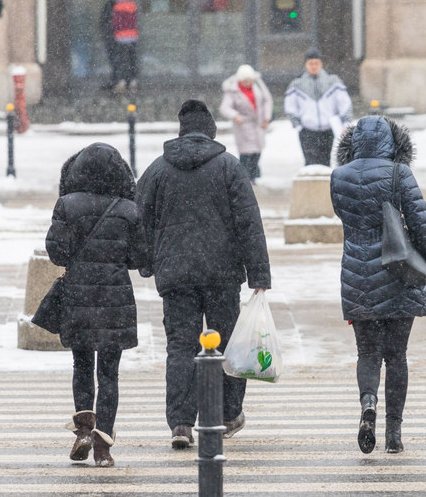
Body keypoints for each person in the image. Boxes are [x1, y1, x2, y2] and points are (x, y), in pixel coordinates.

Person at [137, 100, 271, 449]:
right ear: (211, 130)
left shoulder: (158, 170)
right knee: (229, 343)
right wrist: (258, 273)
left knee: (180, 347)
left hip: (176, 274)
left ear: (180, 131)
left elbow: (141, 221)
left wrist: (147, 262)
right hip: (222, 273)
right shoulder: (229, 167)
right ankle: (228, 414)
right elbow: (249, 223)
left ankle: (181, 423)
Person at [332, 116, 426, 455]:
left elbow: (344, 215)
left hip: (356, 274)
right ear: (393, 142)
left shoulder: (339, 175)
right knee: (397, 355)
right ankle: (394, 433)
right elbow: (419, 219)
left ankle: (368, 403)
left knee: (367, 352)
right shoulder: (398, 173)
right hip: (398, 273)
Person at [45, 143, 147, 468]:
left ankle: (83, 430)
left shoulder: (67, 205)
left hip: (78, 296)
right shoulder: (129, 210)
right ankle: (103, 447)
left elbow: (57, 252)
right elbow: (139, 258)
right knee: (110, 374)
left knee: (82, 367)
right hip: (115, 299)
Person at [285, 48, 353, 166]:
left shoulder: (333, 81)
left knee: (325, 162)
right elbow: (290, 105)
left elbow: (344, 102)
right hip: (307, 130)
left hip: (327, 129)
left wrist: (345, 121)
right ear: (306, 65)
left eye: (316, 63)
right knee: (310, 163)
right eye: (310, 63)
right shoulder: (297, 84)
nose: (313, 66)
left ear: (321, 64)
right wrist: (298, 125)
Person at [219, 64, 274, 184]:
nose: (247, 83)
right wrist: (235, 115)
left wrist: (266, 117)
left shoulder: (258, 84)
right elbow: (225, 107)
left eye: (249, 80)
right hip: (243, 125)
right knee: (246, 153)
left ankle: (253, 176)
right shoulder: (232, 90)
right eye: (245, 81)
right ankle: (244, 178)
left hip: (258, 124)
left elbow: (267, 100)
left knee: (257, 151)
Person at [102, 0, 139, 93]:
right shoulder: (133, 6)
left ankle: (122, 81)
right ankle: (132, 80)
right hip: (133, 36)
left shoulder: (117, 7)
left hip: (121, 37)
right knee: (132, 59)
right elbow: (136, 21)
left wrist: (114, 33)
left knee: (122, 60)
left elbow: (115, 23)